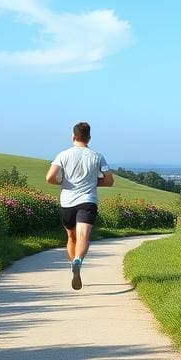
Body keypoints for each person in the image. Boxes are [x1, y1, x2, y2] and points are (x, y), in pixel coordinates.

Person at [45, 121, 113, 290]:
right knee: (83, 236)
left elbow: (50, 177)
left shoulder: (63, 155)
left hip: (67, 202)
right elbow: (109, 180)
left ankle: (73, 266)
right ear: (89, 137)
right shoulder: (97, 156)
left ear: (73, 136)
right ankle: (78, 261)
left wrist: (62, 180)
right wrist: (94, 182)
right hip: (88, 201)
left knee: (71, 237)